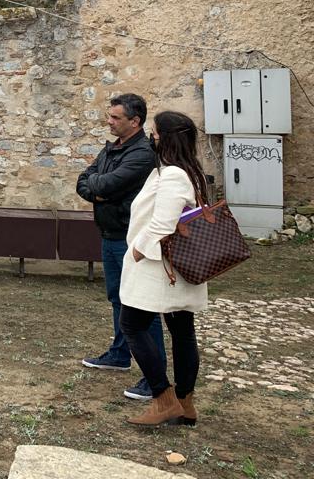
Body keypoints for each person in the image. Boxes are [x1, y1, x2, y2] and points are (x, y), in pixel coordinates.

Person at [120, 111, 208, 426]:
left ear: (167, 137)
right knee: (182, 330)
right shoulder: (190, 170)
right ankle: (185, 403)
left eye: (155, 133)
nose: (151, 137)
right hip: (178, 266)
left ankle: (163, 397)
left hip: (161, 268)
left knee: (132, 324)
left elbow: (164, 221)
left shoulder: (173, 174)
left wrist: (140, 251)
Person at [77, 93, 166, 402]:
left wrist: (98, 189)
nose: (109, 121)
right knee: (118, 297)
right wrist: (97, 189)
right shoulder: (112, 148)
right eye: (109, 115)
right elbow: (85, 180)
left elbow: (104, 185)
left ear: (135, 121)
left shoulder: (141, 153)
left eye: (115, 118)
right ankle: (119, 353)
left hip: (132, 238)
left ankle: (154, 376)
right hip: (111, 233)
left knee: (143, 307)